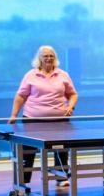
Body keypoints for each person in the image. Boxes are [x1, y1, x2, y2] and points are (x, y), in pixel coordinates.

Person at [9, 45, 78, 186]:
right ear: (39, 59)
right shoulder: (30, 75)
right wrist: (14, 115)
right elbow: (21, 96)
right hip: (33, 119)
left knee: (61, 150)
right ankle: (24, 180)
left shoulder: (63, 75)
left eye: (51, 56)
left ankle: (62, 177)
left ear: (55, 58)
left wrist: (71, 106)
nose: (49, 58)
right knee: (28, 151)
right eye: (45, 56)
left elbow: (72, 94)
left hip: (59, 120)